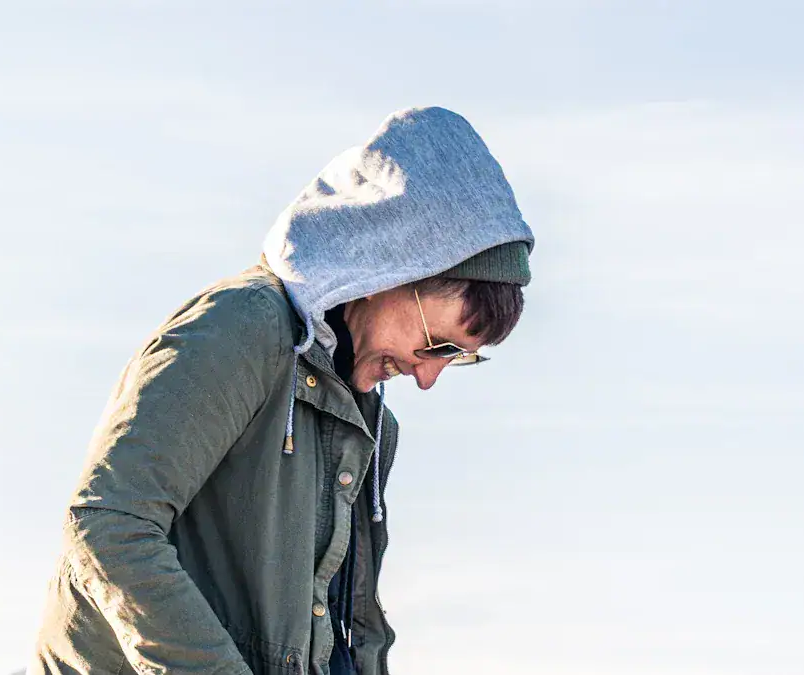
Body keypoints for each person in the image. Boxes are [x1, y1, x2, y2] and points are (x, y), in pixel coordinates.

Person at [33, 106, 535, 675]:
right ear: (388, 268)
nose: (427, 377)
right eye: (436, 344)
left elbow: (348, 630)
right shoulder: (243, 328)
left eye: (458, 357)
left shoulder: (367, 418)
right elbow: (109, 527)